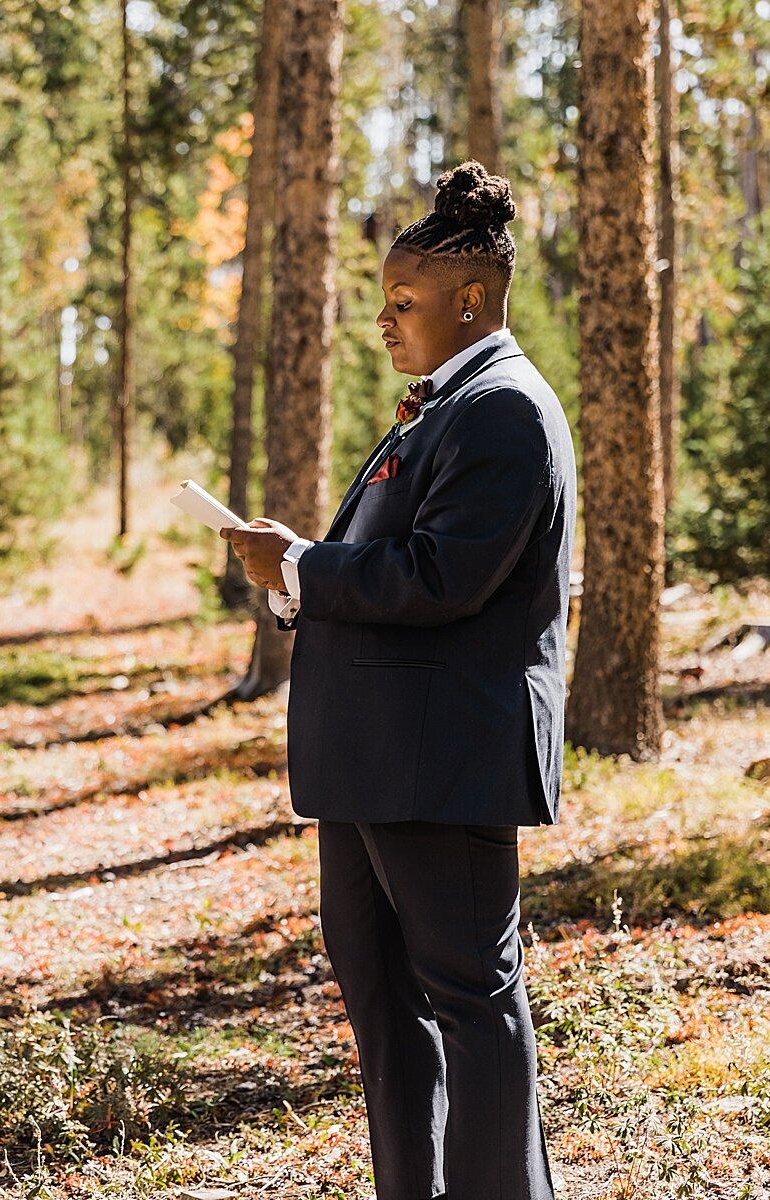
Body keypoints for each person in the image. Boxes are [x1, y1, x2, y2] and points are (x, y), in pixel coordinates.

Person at [225, 161, 571, 1200]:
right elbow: (389, 566)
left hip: (443, 764)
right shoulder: (437, 407)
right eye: (385, 299)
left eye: (403, 301)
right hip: (376, 765)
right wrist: (296, 582)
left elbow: (442, 576)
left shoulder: (504, 409)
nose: (384, 319)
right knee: (385, 1010)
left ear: (471, 302)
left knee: (473, 1003)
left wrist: (300, 566)